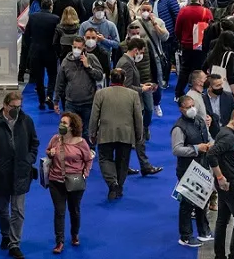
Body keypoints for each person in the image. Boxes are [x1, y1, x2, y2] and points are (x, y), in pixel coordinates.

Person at [0, 92, 40, 259]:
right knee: (2, 210)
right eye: (13, 107)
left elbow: (34, 143)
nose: (16, 110)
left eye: (19, 107)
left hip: (21, 173)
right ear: (5, 105)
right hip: (1, 174)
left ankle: (14, 243)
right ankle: (5, 234)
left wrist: (29, 159)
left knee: (18, 210)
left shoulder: (26, 121)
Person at [89, 69, 143, 200]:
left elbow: (94, 116)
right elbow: (138, 117)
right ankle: (119, 186)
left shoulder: (100, 94)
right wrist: (139, 134)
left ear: (110, 78)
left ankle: (112, 183)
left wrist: (92, 133)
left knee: (105, 159)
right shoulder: (133, 94)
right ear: (124, 79)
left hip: (105, 133)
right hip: (126, 134)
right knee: (123, 161)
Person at [45, 113, 93, 253]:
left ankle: (74, 234)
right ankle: (59, 242)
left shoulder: (81, 143)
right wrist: (50, 153)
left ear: (72, 127)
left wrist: (85, 174)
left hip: (75, 182)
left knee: (74, 210)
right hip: (56, 181)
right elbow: (48, 151)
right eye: (61, 122)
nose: (61, 125)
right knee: (59, 212)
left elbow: (88, 159)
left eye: (64, 123)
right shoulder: (55, 139)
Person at [116, 36, 163, 177]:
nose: (141, 55)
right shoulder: (126, 63)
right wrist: (143, 89)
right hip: (129, 106)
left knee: (135, 138)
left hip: (130, 105)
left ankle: (135, 166)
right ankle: (142, 166)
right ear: (136, 50)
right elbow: (126, 87)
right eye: (141, 52)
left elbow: (131, 83)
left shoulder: (127, 61)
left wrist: (143, 85)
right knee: (137, 137)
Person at [207, 107, 234, 259]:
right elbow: (211, 154)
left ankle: (219, 255)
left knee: (222, 219)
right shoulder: (228, 137)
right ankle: (233, 255)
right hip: (230, 183)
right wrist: (220, 177)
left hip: (226, 182)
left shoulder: (224, 132)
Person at [171, 95, 214, 247]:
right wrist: (196, 148)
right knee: (187, 203)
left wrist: (211, 144)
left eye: (192, 106)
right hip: (187, 169)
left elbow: (208, 137)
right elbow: (176, 149)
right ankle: (186, 236)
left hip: (202, 166)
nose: (192, 109)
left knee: (202, 200)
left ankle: (204, 231)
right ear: (181, 109)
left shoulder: (200, 120)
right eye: (188, 107)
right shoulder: (179, 127)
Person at [53, 35, 104, 141]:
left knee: (87, 132)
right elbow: (60, 82)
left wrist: (88, 67)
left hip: (88, 103)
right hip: (71, 103)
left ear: (84, 48)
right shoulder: (66, 62)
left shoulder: (92, 59)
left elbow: (99, 76)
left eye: (79, 48)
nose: (76, 50)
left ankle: (88, 149)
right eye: (75, 47)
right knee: (69, 131)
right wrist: (56, 100)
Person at [21, 0, 59, 110]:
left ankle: (41, 100)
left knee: (39, 77)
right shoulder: (55, 18)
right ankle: (49, 96)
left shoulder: (33, 17)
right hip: (50, 51)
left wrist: (30, 47)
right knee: (52, 75)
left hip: (35, 51)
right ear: (51, 6)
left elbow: (26, 35)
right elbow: (57, 36)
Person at [174, 0, 214, 96]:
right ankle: (196, 91)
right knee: (199, 69)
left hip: (186, 45)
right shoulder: (206, 12)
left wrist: (182, 40)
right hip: (201, 45)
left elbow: (177, 29)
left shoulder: (183, 11)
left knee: (184, 69)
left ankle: (179, 92)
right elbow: (211, 30)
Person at [202, 72, 234, 138]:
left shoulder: (228, 96)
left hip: (227, 132)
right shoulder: (202, 99)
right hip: (210, 134)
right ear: (210, 87)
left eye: (221, 85)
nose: (221, 87)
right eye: (218, 86)